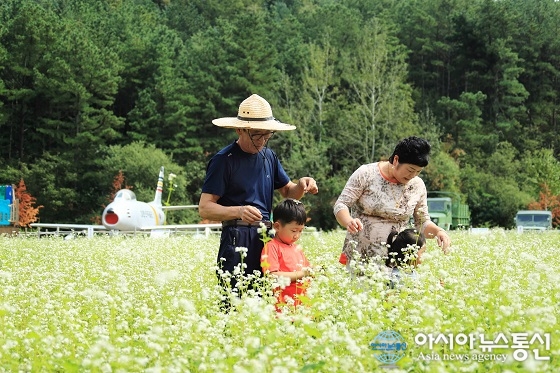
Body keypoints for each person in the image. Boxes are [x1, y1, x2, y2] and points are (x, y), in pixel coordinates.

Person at [198, 94, 319, 307]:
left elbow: (288, 192)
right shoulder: (223, 160)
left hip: (267, 238)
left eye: (267, 135)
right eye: (256, 135)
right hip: (237, 238)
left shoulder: (269, 156)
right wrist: (238, 211)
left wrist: (301, 185)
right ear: (239, 130)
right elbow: (205, 208)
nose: (262, 141)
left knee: (266, 300)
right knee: (234, 300)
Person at [333, 136, 450, 270]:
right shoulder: (366, 174)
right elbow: (341, 205)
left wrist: (439, 232)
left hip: (398, 259)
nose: (413, 176)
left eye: (418, 172)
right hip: (361, 256)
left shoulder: (417, 185)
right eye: (410, 170)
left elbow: (422, 222)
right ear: (396, 160)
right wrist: (348, 221)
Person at [261, 198, 312, 312]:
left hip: (301, 307)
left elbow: (307, 270)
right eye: (294, 231)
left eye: (301, 231)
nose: (297, 235)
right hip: (282, 308)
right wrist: (302, 274)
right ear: (277, 226)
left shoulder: (296, 248)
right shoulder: (272, 247)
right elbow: (272, 276)